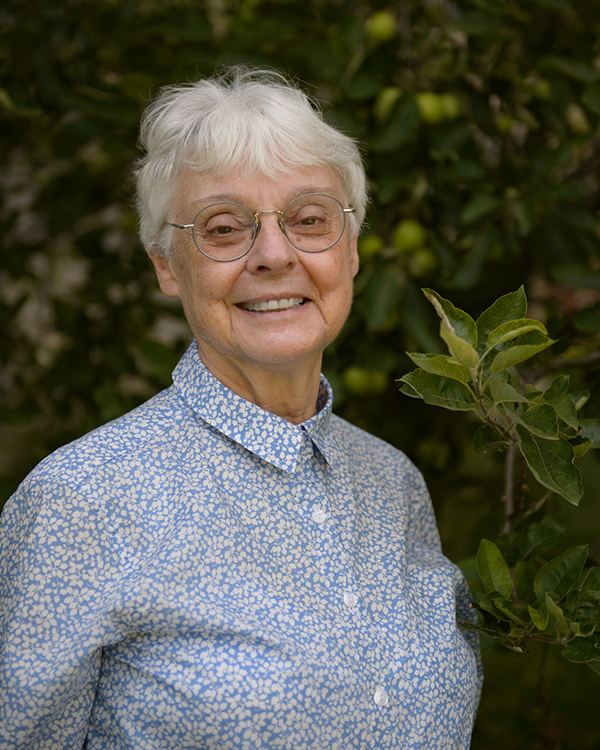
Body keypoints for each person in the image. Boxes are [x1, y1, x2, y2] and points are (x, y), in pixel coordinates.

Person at [0, 67, 482, 750]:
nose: (275, 255)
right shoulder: (82, 501)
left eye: (309, 220)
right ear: (168, 265)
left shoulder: (392, 481)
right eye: (225, 230)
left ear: (350, 249)